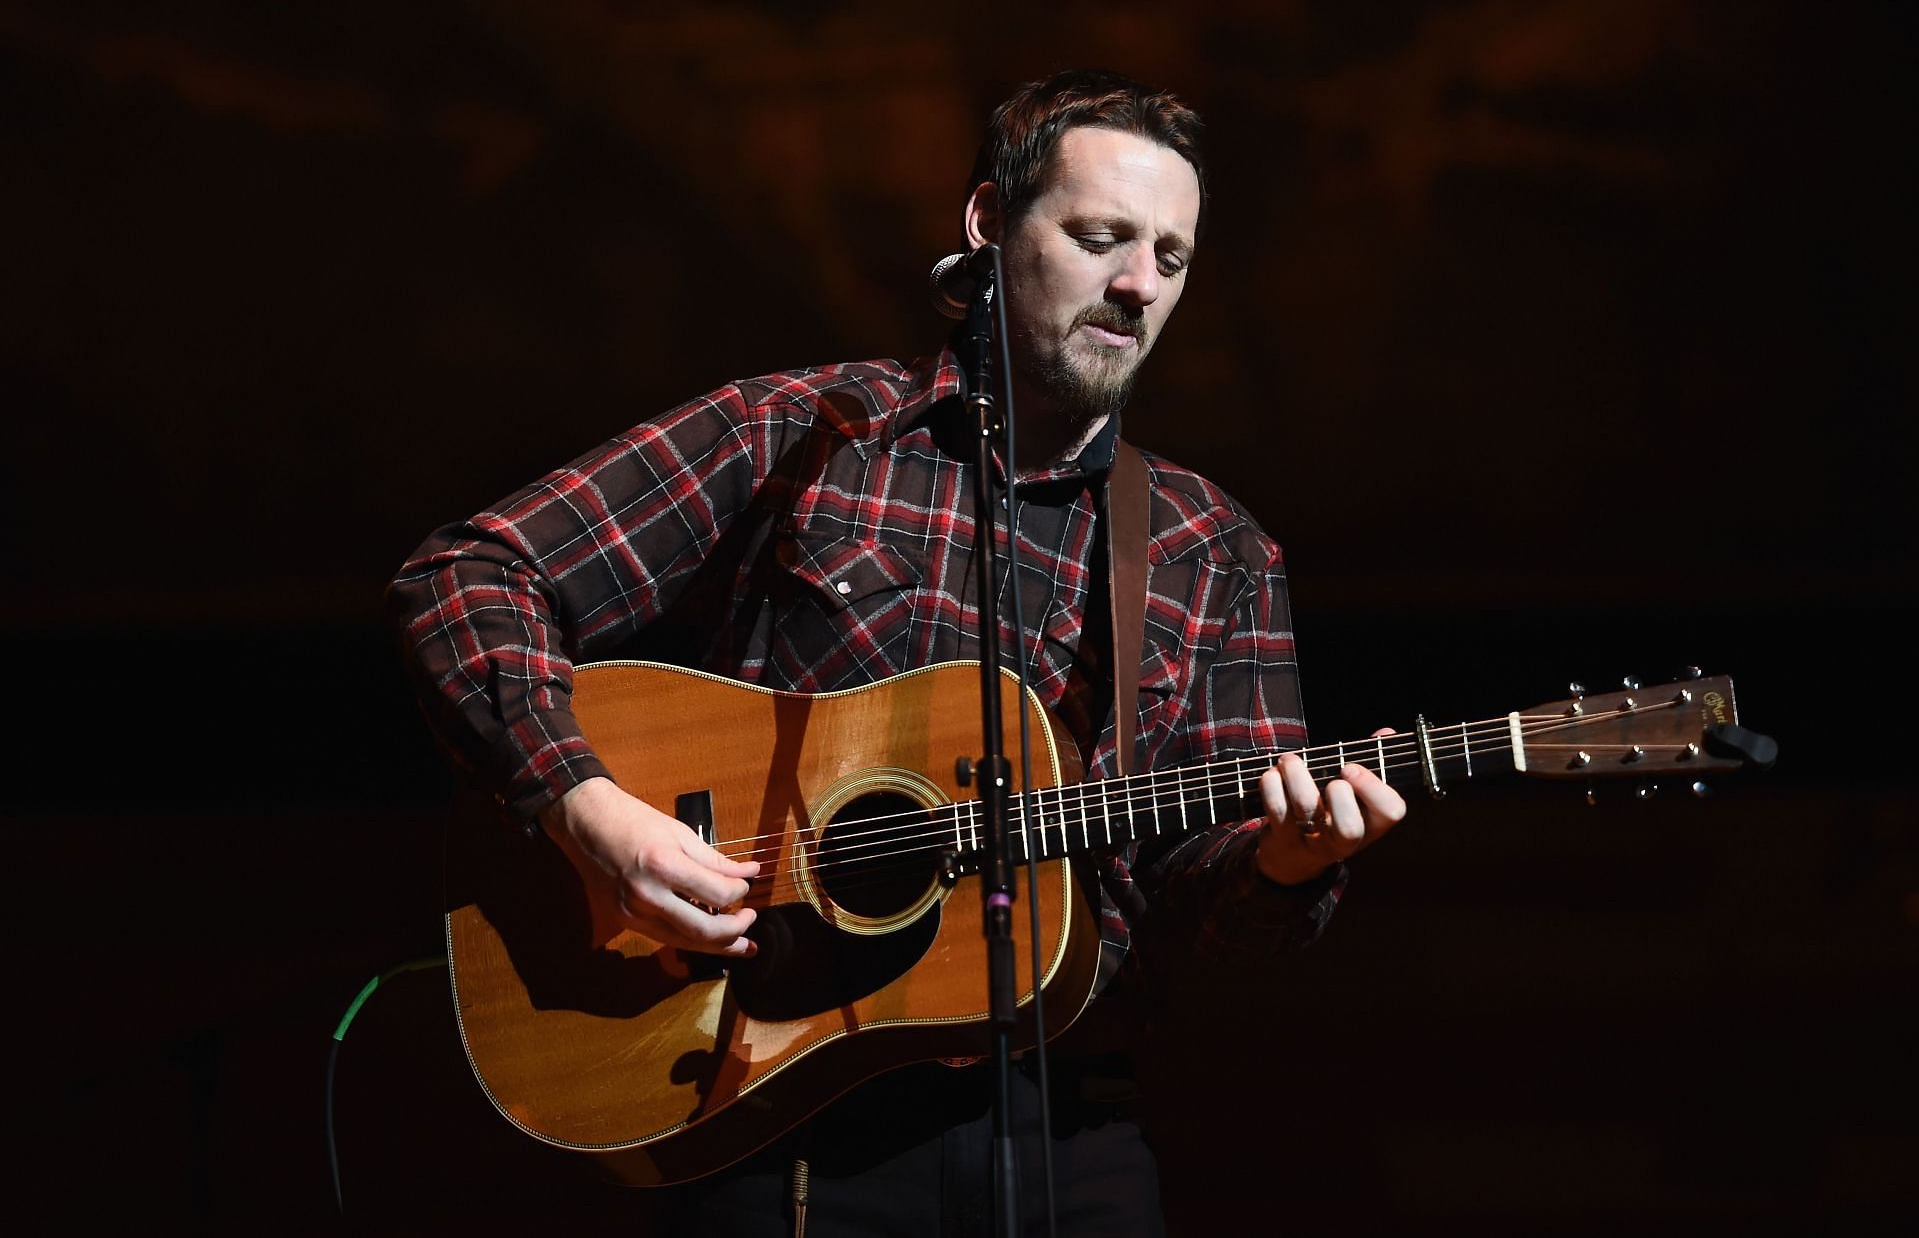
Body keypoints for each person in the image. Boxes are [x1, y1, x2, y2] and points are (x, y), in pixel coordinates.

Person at [389, 68, 1407, 1236]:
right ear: (988, 224)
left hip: (1065, 1132)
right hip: (773, 1107)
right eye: (1101, 237)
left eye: (1170, 258)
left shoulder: (1213, 547)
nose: (1136, 285)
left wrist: (1285, 856)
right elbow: (467, 575)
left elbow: (1206, 907)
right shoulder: (810, 435)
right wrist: (587, 807)